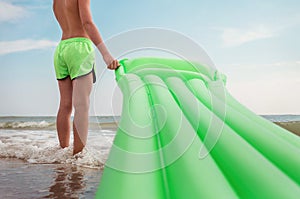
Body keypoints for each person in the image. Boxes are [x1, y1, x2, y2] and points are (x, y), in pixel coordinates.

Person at [53, 0, 119, 155]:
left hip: (61, 49)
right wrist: (106, 54)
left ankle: (62, 153)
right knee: (81, 105)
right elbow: (87, 23)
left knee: (65, 105)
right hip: (80, 49)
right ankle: (77, 156)